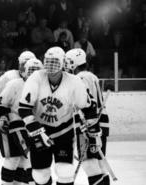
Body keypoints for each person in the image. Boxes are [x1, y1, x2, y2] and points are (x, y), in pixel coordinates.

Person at [18, 47, 100, 185]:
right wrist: (37, 131)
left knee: (65, 171)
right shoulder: (36, 77)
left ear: (63, 63)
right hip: (40, 130)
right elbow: (24, 108)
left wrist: (95, 134)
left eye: (54, 62)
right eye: (48, 62)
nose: (50, 66)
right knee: (40, 176)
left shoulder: (74, 81)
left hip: (64, 132)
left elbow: (89, 107)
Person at [0, 58, 43, 185]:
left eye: (37, 71)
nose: (34, 74)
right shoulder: (15, 84)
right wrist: (2, 118)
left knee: (23, 159)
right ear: (24, 71)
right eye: (31, 71)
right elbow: (1, 105)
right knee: (17, 158)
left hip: (32, 127)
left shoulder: (42, 87)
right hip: (14, 126)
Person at [64, 48, 110, 185]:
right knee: (100, 164)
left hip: (89, 125)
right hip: (100, 123)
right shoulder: (91, 76)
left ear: (74, 63)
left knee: (90, 164)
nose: (66, 66)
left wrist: (90, 127)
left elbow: (88, 103)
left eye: (68, 62)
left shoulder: (79, 78)